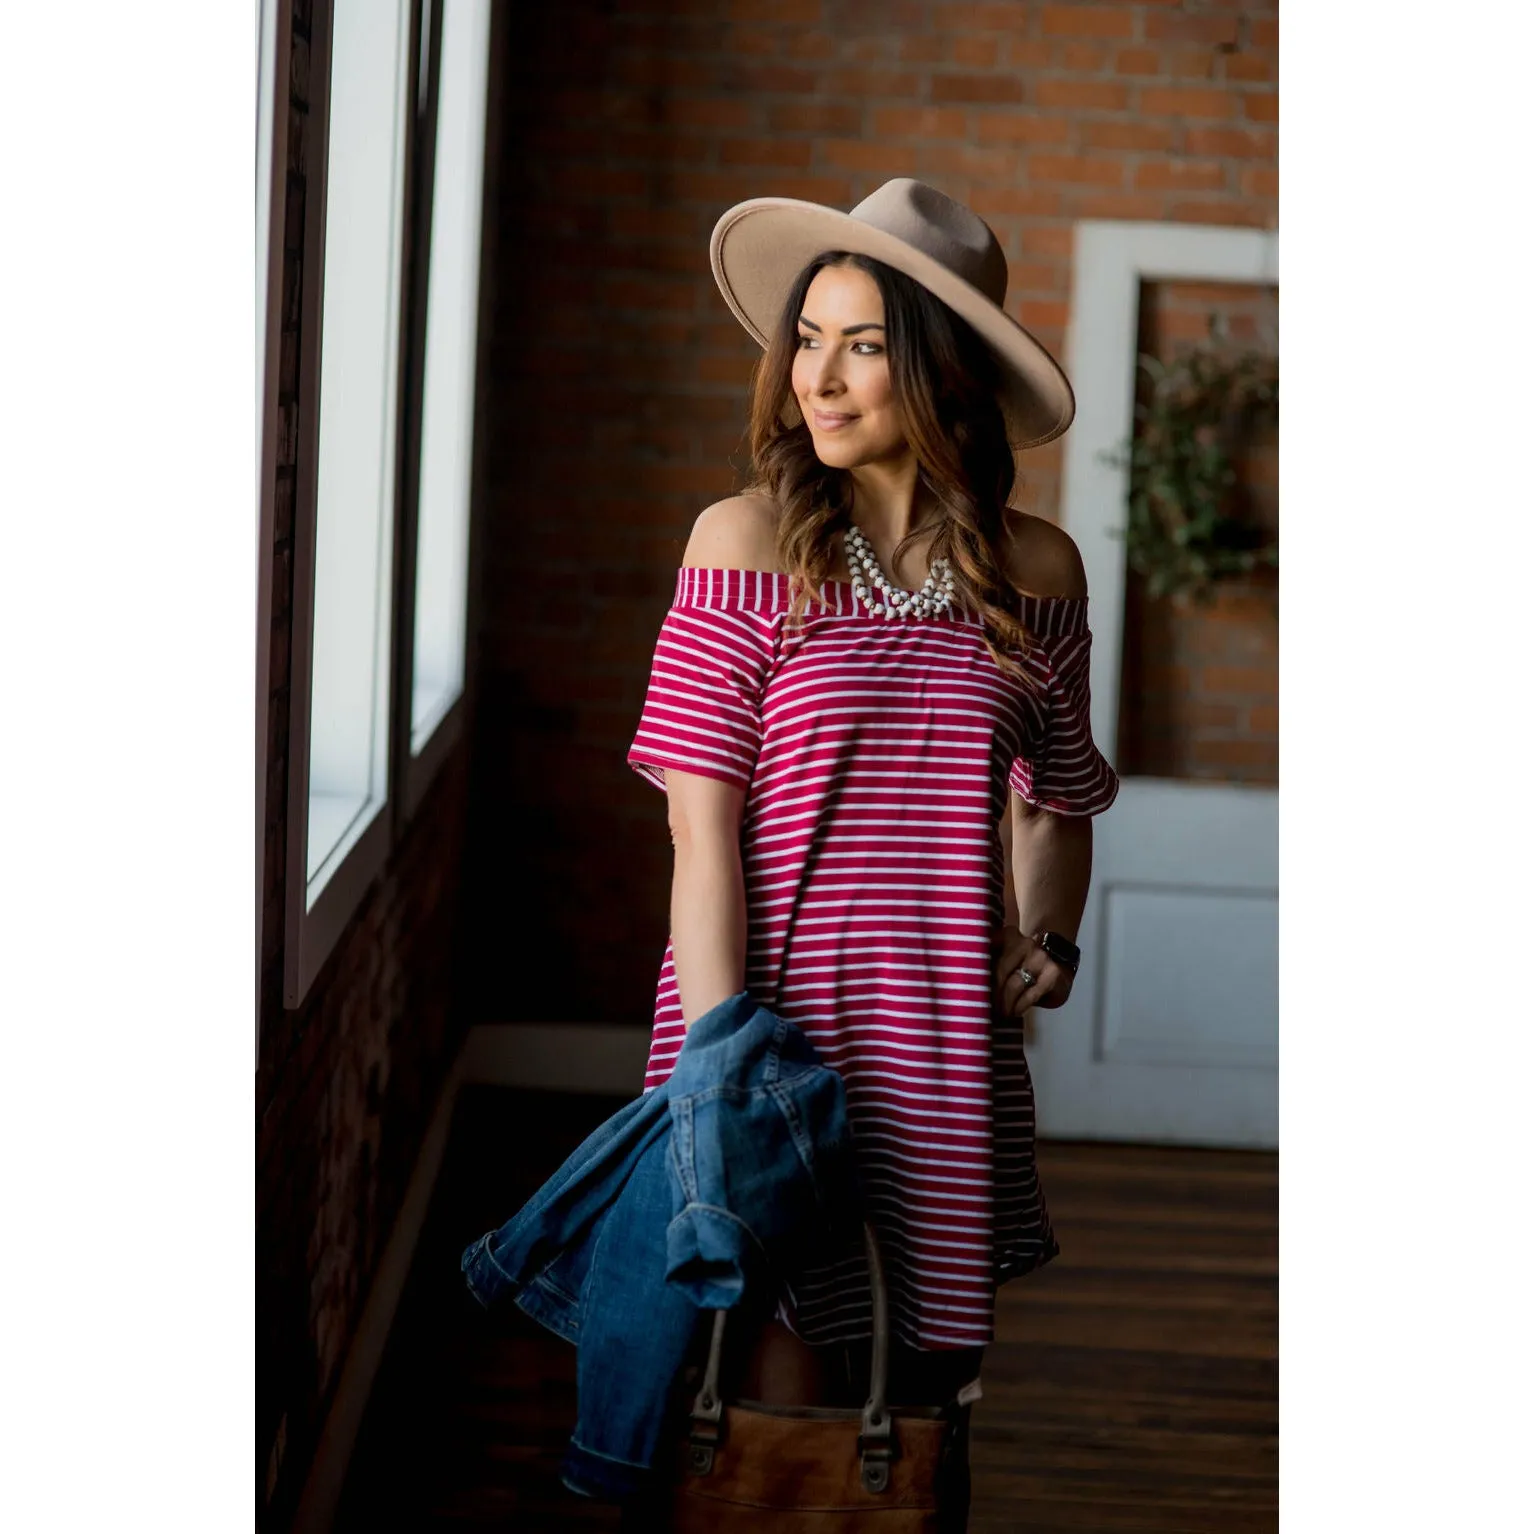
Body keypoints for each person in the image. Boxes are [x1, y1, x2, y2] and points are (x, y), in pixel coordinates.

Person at [622, 178, 1120, 1529]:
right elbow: (695, 821)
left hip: (946, 1036)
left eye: (859, 345)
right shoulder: (742, 546)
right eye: (805, 339)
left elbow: (1054, 798)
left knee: (927, 1404)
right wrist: (721, 1047)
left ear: (942, 372)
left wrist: (1050, 935)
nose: (814, 379)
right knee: (779, 1410)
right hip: (771, 1040)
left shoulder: (1039, 570)